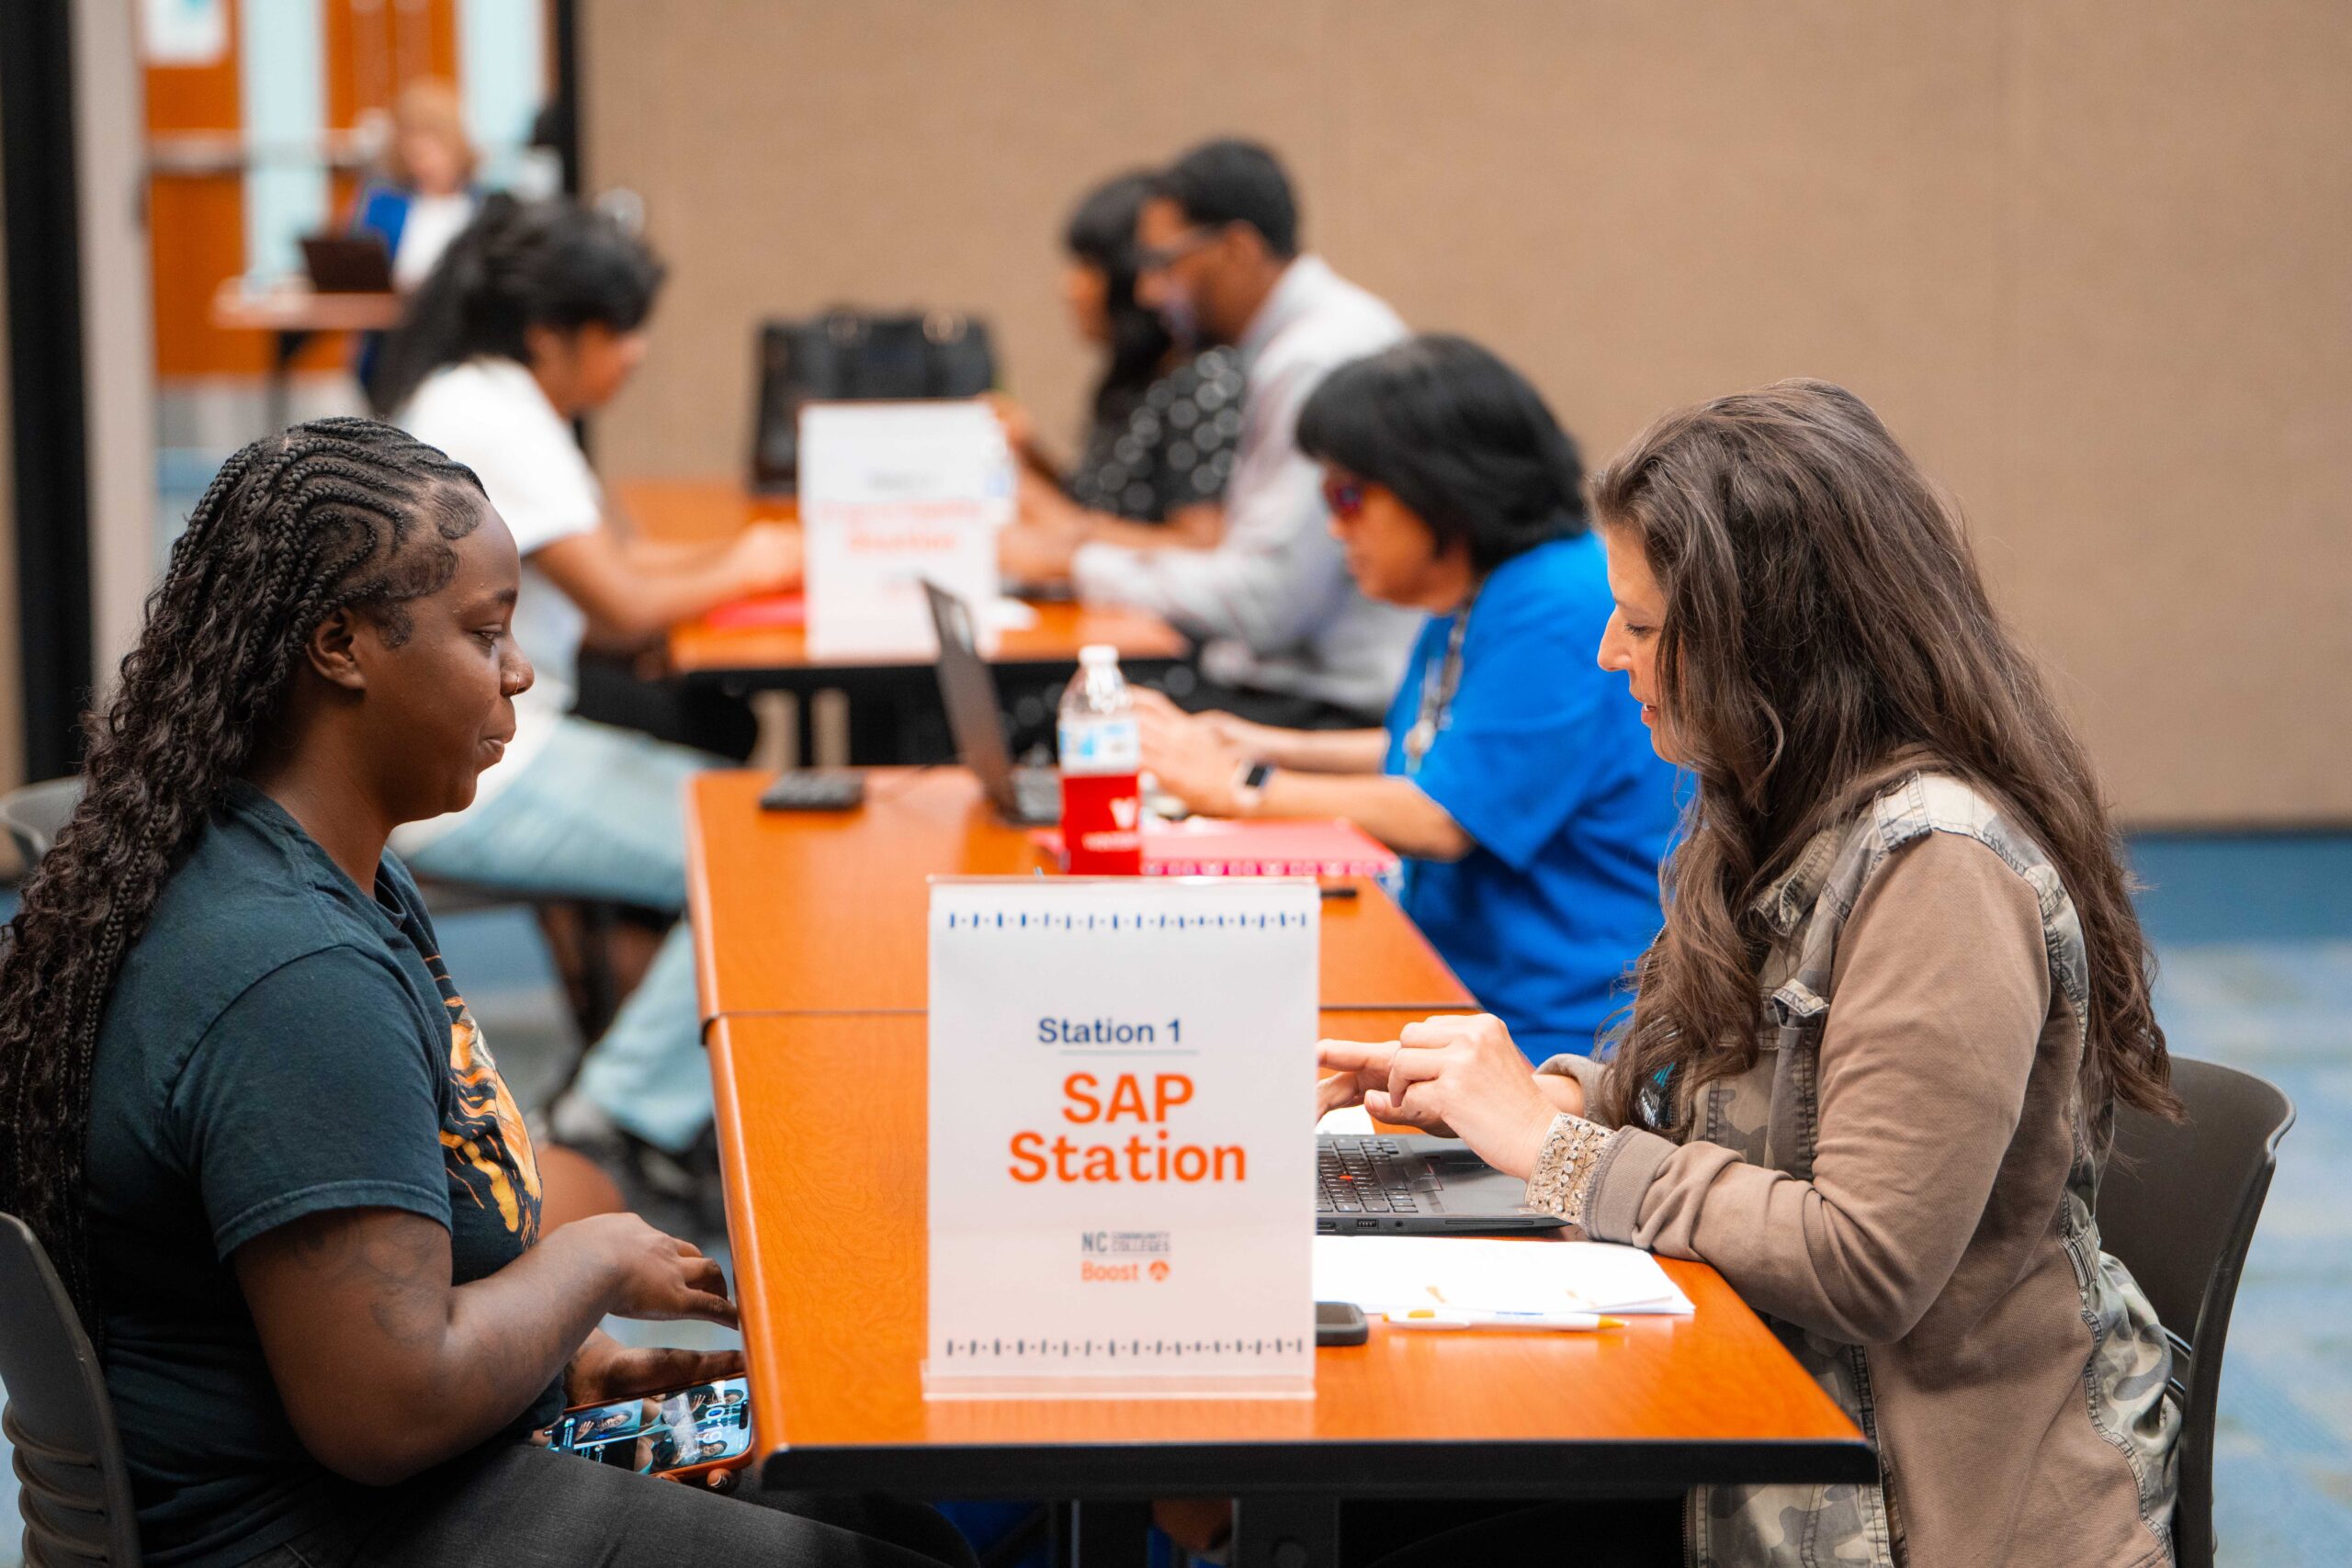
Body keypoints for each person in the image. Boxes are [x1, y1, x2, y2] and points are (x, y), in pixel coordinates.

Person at [0, 421, 971, 1568]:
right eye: (485, 632)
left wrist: (562, 1360)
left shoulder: (314, 870)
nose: (516, 672)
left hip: (368, 1481)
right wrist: (591, 1262)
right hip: (316, 1529)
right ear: (339, 644)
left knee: (872, 1510)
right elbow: (388, 1410)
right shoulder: (293, 978)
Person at [1315, 380, 2183, 1568]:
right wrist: (1552, 1096)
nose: (1609, 652)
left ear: (1766, 636)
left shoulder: (1938, 868)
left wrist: (1556, 1149)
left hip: (1901, 1500)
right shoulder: (1774, 795)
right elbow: (1719, 1084)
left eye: (1642, 623)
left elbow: (1864, 1261)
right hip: (1770, 1419)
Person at [370, 195, 800, 1169]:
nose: (638, 353)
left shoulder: (482, 394)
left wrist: (738, 561)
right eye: (623, 330)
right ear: (550, 335)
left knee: (740, 800)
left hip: (490, 730)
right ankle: (612, 1118)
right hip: (486, 763)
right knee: (758, 853)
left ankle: (628, 1089)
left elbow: (618, 570)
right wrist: (757, 563)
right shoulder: (492, 413)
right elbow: (621, 606)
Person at [1136, 336, 1679, 1059]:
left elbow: (1441, 815)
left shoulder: (1558, 602)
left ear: (1442, 486)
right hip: (1458, 991)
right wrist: (1267, 743)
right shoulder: (1477, 591)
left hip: (1555, 1036)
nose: (1335, 526)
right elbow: (1442, 748)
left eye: (1349, 495)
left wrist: (1241, 787)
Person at [1001, 138, 1420, 729]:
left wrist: (1081, 566)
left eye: (1165, 264)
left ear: (1237, 249)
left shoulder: (1314, 362)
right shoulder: (1302, 342)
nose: (1149, 293)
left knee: (1042, 728)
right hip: (1285, 684)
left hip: (1320, 706)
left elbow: (1266, 603)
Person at [998, 170, 1246, 547]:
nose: (1068, 286)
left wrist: (1041, 506)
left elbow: (1202, 547)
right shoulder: (1136, 378)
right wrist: (1031, 457)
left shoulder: (1204, 379)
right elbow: (1103, 504)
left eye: (1088, 266)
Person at [352, 80, 481, 294]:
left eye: (432, 140)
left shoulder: (485, 208)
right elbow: (353, 271)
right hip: (395, 322)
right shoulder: (383, 203)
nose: (421, 154)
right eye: (412, 143)